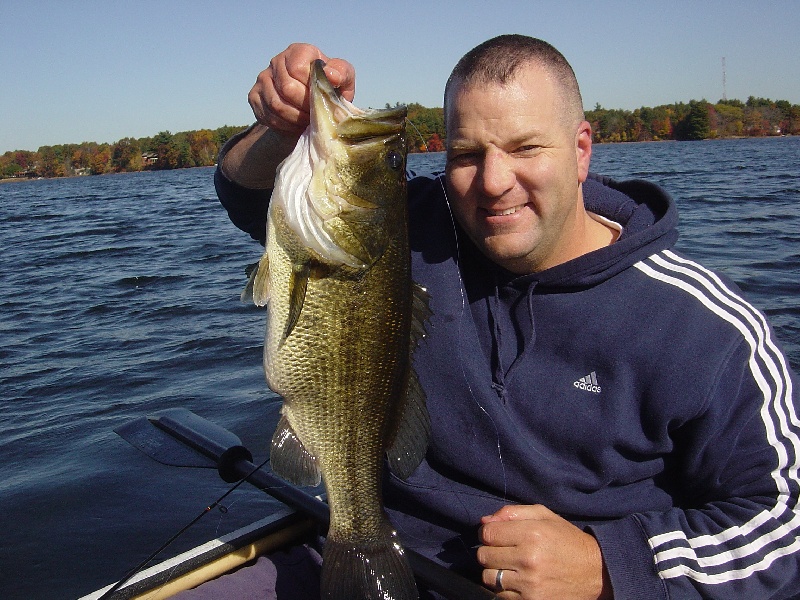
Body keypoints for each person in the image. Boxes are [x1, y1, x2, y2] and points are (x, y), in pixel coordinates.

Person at [187, 35, 800, 599]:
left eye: (525, 147)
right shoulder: (402, 230)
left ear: (581, 150)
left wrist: (607, 566)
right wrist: (281, 126)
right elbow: (247, 198)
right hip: (372, 544)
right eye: (465, 153)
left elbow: (783, 522)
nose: (494, 182)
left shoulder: (706, 329)